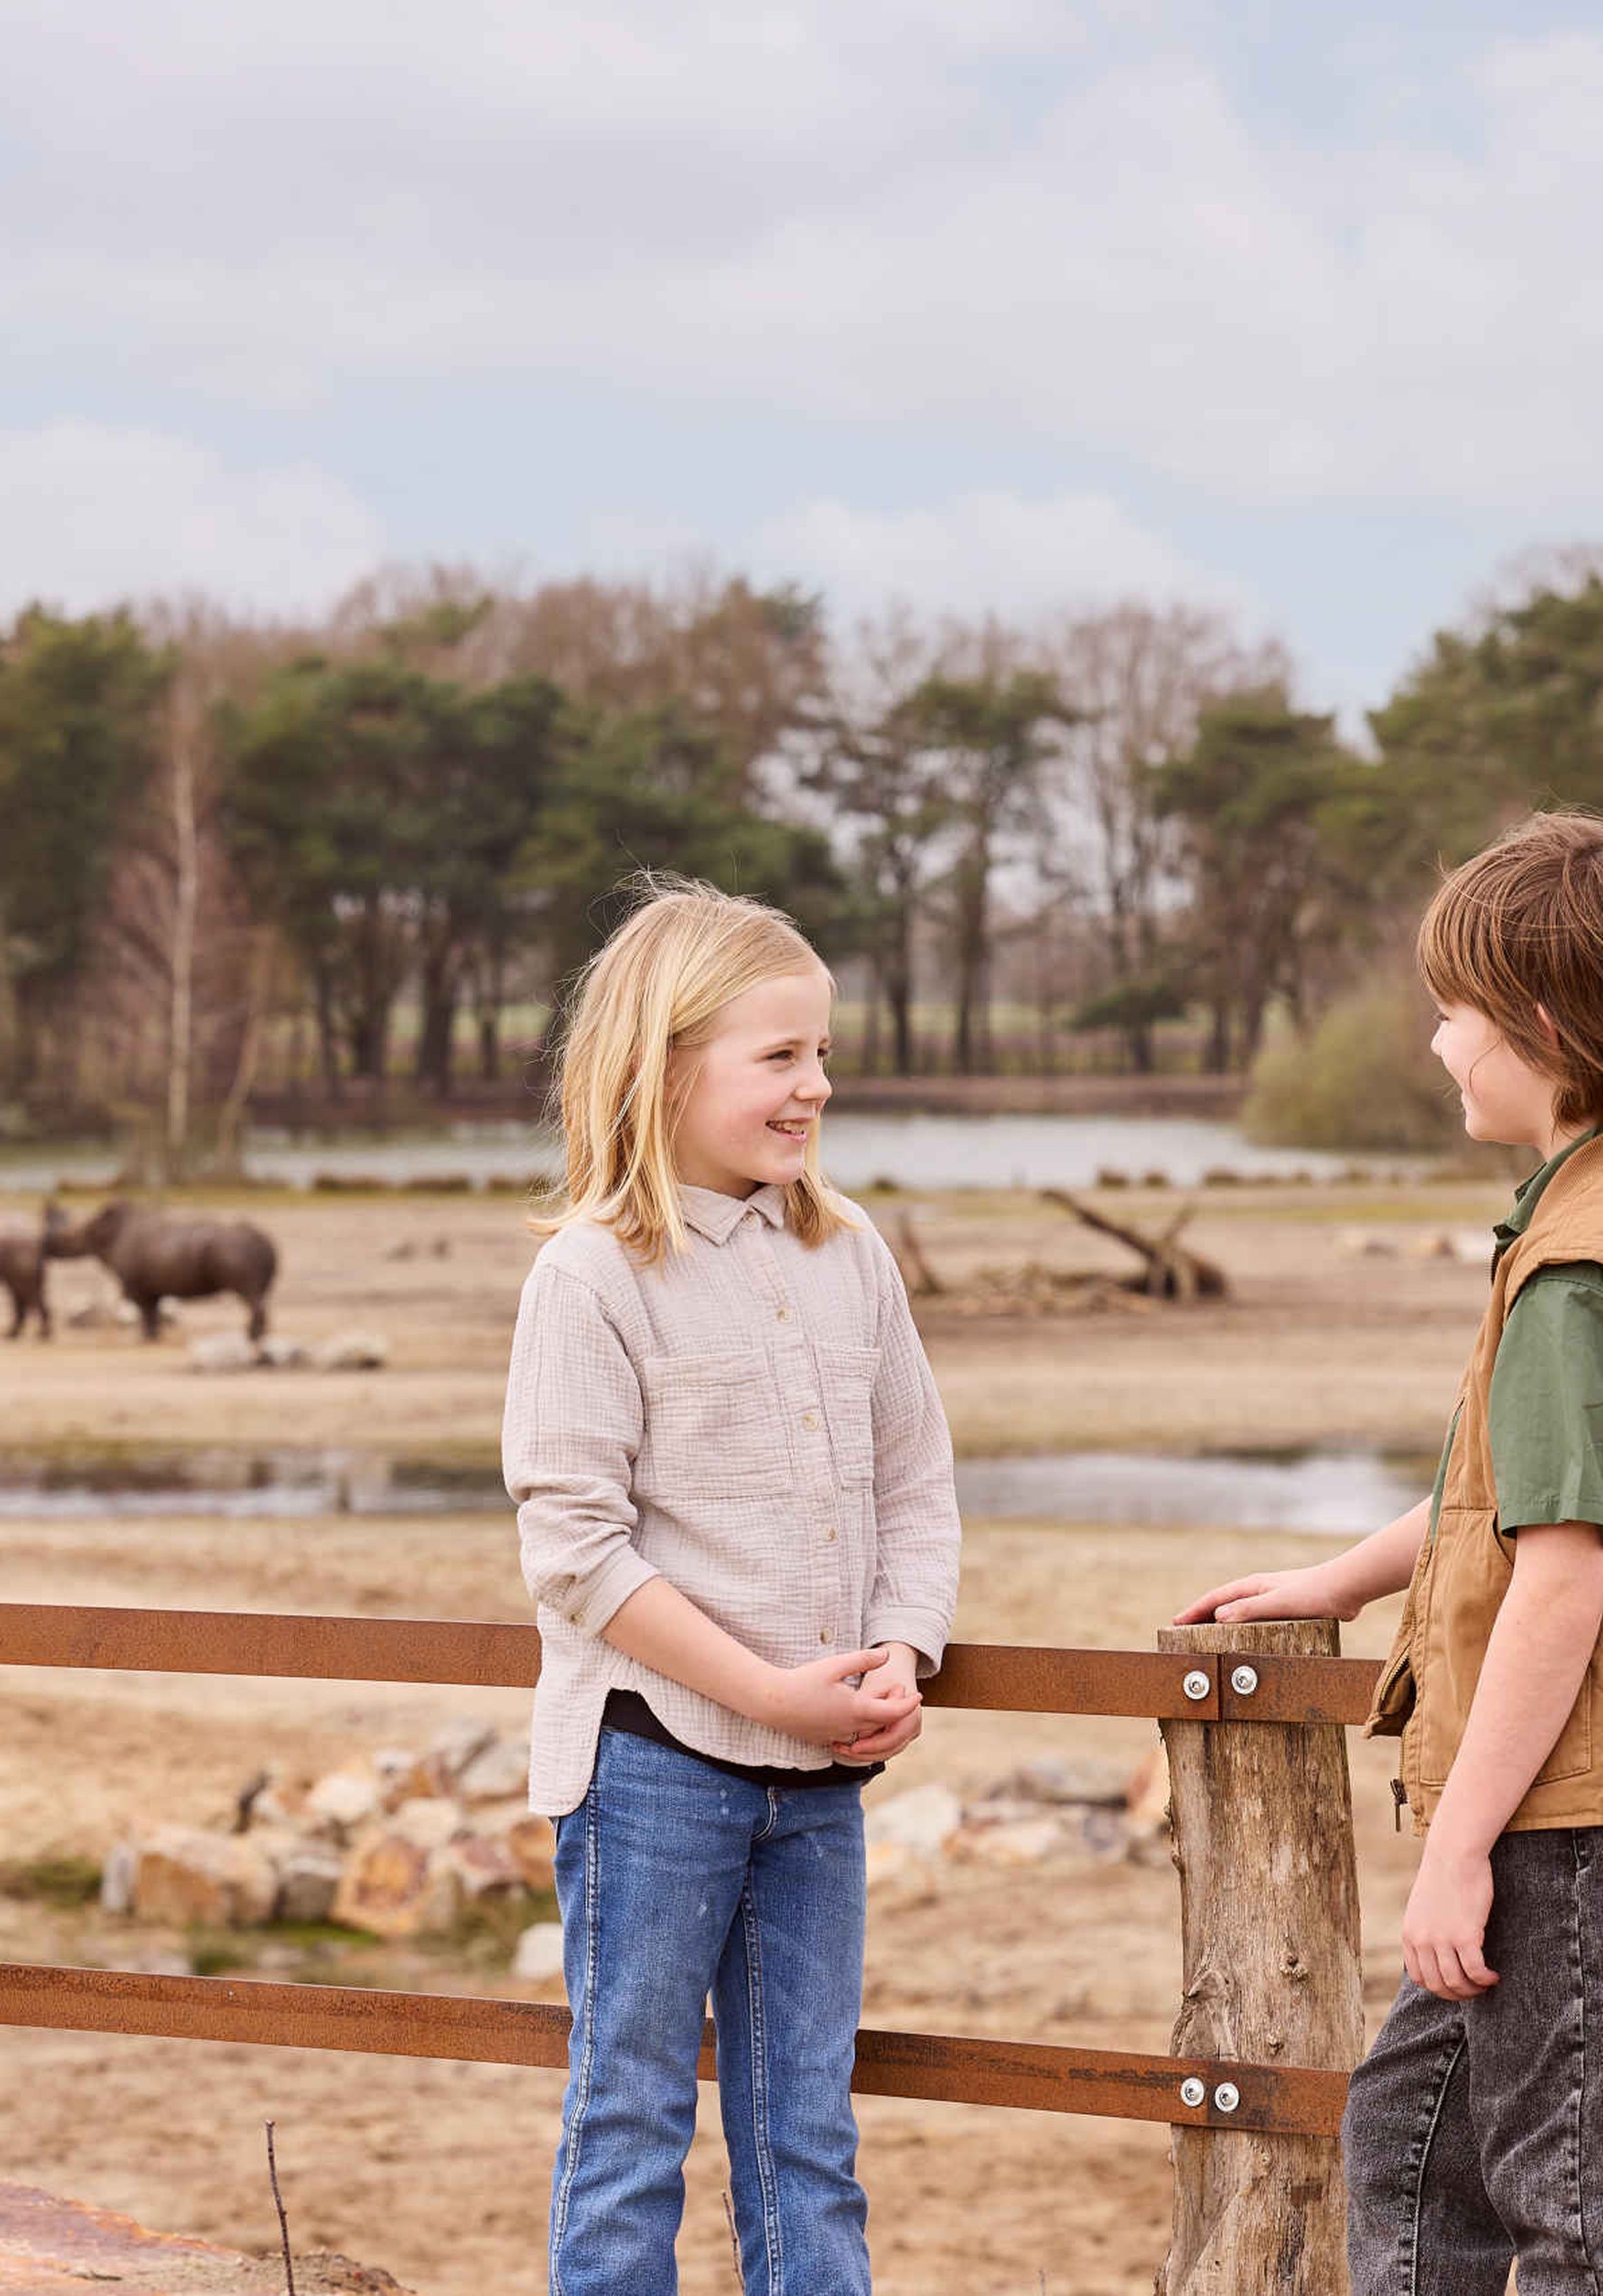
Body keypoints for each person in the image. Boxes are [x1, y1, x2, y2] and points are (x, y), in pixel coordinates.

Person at [1177, 812, 1603, 2293]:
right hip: (1579, 1787)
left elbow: (1565, 1576)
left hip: (1570, 1801)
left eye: (1455, 1012)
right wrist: (1342, 1580)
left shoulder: (1586, 1269)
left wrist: (1454, 1855)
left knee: (1577, 2215)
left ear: (1545, 1027)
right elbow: (1524, 1499)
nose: (1438, 1042)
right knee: (1411, 2141)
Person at [506, 874, 961, 2296]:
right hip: (655, 1770)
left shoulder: (849, 1251)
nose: (814, 1086)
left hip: (820, 1786)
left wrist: (904, 1649)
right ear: (667, 1061)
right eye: (780, 1056)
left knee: (806, 2137)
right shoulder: (591, 1279)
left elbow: (916, 1484)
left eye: (821, 1054)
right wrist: (767, 1689)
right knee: (633, 2124)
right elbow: (574, 1549)